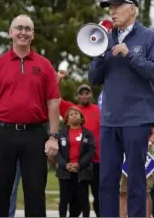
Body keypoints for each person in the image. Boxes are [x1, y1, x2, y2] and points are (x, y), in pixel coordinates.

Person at [88, 0, 154, 217]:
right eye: (109, 8)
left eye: (116, 6)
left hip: (137, 119)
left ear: (132, 8)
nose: (112, 12)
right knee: (106, 181)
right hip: (110, 120)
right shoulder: (106, 37)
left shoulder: (149, 37)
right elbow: (94, 79)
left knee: (135, 180)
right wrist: (100, 54)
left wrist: (130, 55)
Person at [0, 14, 60, 217]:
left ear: (33, 35)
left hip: (35, 135)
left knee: (35, 193)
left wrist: (53, 136)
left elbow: (53, 102)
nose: (23, 32)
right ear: (10, 33)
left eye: (27, 29)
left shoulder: (45, 65)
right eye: (19, 28)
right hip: (2, 135)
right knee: (0, 193)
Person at [58, 71, 101, 217]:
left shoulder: (99, 110)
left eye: (87, 93)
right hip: (77, 163)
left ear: (91, 95)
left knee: (98, 194)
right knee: (77, 197)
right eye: (81, 93)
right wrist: (58, 80)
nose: (84, 95)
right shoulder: (73, 110)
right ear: (78, 97)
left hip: (97, 160)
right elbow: (55, 98)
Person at [54, 106, 95, 217]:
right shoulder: (61, 133)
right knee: (64, 199)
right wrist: (65, 165)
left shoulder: (88, 134)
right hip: (65, 172)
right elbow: (57, 152)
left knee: (83, 199)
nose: (74, 115)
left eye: (76, 113)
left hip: (82, 172)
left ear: (81, 117)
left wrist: (79, 165)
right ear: (67, 119)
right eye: (71, 114)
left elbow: (90, 152)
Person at [119, 117, 154, 218]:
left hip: (143, 154)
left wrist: (149, 143)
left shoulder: (148, 108)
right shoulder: (121, 110)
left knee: (145, 191)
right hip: (124, 155)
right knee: (123, 191)